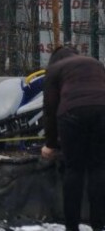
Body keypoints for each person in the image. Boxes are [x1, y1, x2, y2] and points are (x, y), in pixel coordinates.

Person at [41, 45, 105, 231]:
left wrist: (50, 144)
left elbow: (49, 109)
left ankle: (72, 226)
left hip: (72, 114)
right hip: (103, 112)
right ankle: (98, 224)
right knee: (99, 168)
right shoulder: (96, 63)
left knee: (74, 169)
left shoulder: (55, 70)